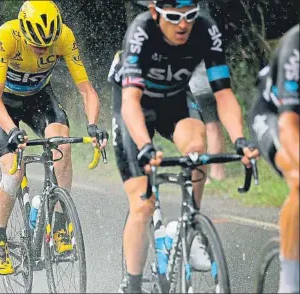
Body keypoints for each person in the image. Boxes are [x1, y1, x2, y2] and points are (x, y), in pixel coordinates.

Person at [107, 0, 259, 292]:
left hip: (174, 100)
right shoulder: (141, 32)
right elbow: (130, 103)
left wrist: (240, 139)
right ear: (155, 13)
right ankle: (133, 284)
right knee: (143, 204)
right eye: (174, 17)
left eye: (190, 16)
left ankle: (192, 226)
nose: (183, 24)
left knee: (196, 147)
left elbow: (224, 93)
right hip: (132, 103)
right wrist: (145, 148)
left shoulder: (205, 29)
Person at [0, 0, 108, 275]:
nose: (42, 50)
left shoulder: (64, 36)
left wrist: (92, 125)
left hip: (39, 98)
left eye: (47, 45)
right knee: (13, 175)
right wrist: (12, 131)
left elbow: (87, 91)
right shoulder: (6, 36)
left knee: (62, 147)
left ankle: (61, 223)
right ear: (23, 31)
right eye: (36, 44)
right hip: (4, 102)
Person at [248, 24, 299, 293]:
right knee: (298, 178)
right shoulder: (296, 44)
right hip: (274, 116)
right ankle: (289, 283)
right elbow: (288, 124)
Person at [189, 61, 226, 183]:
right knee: (215, 127)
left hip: (200, 86)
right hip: (216, 83)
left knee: (209, 128)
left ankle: (213, 171)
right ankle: (219, 170)